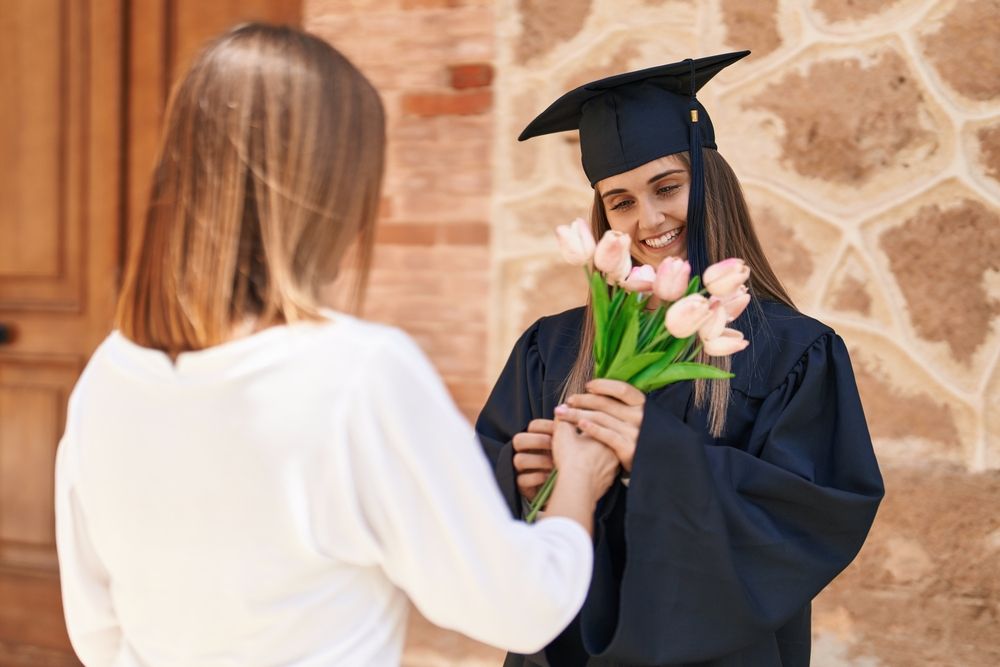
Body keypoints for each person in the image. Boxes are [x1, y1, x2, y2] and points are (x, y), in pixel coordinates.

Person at [54, 23, 621, 667]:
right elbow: (521, 606)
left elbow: (97, 630)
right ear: (336, 189)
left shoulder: (108, 373)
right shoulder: (358, 375)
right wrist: (578, 479)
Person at [477, 51, 885, 666]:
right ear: (603, 218)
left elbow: (814, 517)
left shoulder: (793, 351)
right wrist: (519, 473)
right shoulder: (551, 347)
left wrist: (656, 456)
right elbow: (477, 482)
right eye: (620, 201)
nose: (649, 219)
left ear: (709, 183)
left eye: (667, 188)